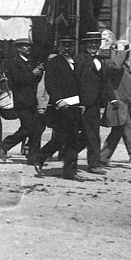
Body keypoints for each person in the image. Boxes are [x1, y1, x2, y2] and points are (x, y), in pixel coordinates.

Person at [34, 37, 84, 181]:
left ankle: (69, 172)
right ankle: (41, 156)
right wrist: (58, 100)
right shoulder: (54, 63)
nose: (67, 49)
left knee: (72, 139)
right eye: (64, 46)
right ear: (59, 47)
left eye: (70, 46)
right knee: (61, 137)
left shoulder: (76, 62)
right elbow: (50, 84)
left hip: (74, 106)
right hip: (60, 108)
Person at [100, 40, 131, 170]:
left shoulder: (126, 67)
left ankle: (102, 158)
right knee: (130, 133)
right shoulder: (111, 64)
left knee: (116, 133)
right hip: (117, 106)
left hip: (126, 106)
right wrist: (122, 51)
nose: (128, 55)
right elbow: (115, 65)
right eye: (126, 53)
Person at [0, 37, 44, 164]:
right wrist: (32, 73)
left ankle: (33, 157)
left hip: (31, 100)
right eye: (25, 46)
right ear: (18, 48)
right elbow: (18, 81)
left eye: (29, 46)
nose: (28, 48)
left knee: (37, 128)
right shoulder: (14, 62)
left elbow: (32, 81)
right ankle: (5, 145)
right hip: (22, 101)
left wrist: (38, 73)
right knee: (28, 128)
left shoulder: (29, 62)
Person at [75, 31, 110, 175]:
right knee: (90, 134)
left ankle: (69, 153)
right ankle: (93, 164)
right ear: (85, 45)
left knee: (91, 134)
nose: (94, 46)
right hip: (83, 104)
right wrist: (79, 102)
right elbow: (76, 82)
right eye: (91, 43)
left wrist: (112, 99)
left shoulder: (101, 61)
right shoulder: (80, 60)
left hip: (95, 104)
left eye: (96, 43)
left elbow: (105, 82)